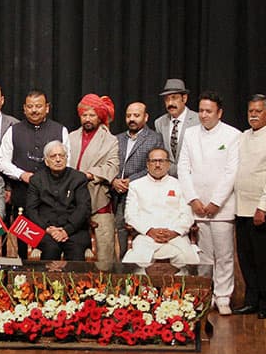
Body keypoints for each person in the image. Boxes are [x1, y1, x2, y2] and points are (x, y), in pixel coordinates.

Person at [177, 91, 241, 316]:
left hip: (222, 207)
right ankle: (206, 293)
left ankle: (223, 296)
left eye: (209, 111)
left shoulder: (233, 135)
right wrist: (193, 199)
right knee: (203, 254)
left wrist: (215, 202)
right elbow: (183, 168)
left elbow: (231, 172)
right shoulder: (191, 134)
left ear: (219, 112)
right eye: (201, 110)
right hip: (197, 205)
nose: (204, 115)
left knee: (223, 254)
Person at [0, 89, 69, 259]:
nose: (34, 110)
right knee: (24, 243)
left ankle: (47, 278)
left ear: (47, 108)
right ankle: (23, 275)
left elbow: (67, 161)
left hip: (53, 202)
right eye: (30, 106)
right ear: (24, 108)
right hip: (23, 199)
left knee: (49, 245)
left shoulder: (60, 130)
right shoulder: (13, 131)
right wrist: (22, 175)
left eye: (38, 106)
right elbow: (3, 162)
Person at [233, 94, 266, 319]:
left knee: (265, 260)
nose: (253, 115)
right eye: (250, 111)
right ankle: (251, 300)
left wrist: (262, 207)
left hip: (261, 211)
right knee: (245, 258)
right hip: (239, 207)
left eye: (258, 111)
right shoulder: (243, 136)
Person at [68, 94, 119, 270]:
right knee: (73, 256)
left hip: (99, 203)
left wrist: (88, 175)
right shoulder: (70, 137)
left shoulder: (111, 140)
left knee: (104, 257)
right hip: (71, 204)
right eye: (84, 115)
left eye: (92, 115)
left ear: (99, 116)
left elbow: (112, 167)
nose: (88, 119)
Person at [124, 148, 195, 272]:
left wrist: (175, 232)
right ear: (147, 164)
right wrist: (150, 231)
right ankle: (144, 291)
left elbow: (187, 215)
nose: (157, 165)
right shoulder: (136, 185)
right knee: (136, 262)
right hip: (146, 236)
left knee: (186, 260)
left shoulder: (180, 185)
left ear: (168, 164)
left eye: (161, 161)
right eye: (154, 161)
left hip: (175, 237)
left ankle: (181, 291)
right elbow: (131, 215)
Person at [112, 102, 164, 258]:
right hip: (117, 195)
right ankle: (121, 271)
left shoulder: (154, 138)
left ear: (146, 117)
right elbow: (110, 162)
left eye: (136, 115)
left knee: (140, 237)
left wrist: (130, 181)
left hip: (142, 195)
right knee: (119, 232)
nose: (132, 119)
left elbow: (155, 166)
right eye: (129, 116)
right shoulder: (117, 138)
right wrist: (114, 180)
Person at [26, 141, 91, 261]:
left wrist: (66, 230)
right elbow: (31, 210)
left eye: (61, 156)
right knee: (51, 248)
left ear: (66, 158)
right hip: (44, 230)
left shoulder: (79, 178)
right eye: (53, 156)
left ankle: (76, 280)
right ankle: (45, 280)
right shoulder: (36, 180)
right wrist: (48, 229)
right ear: (46, 161)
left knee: (75, 250)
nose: (58, 160)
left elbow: (83, 208)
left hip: (74, 230)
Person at [154, 79, 200, 177]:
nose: (170, 103)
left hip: (192, 177)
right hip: (168, 179)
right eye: (167, 99)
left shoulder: (198, 120)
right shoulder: (160, 123)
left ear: (184, 98)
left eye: (174, 98)